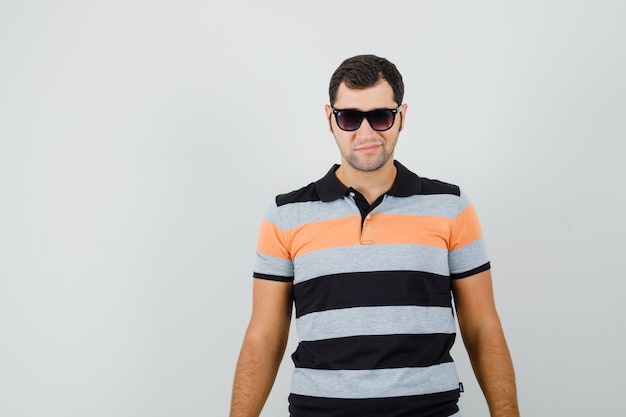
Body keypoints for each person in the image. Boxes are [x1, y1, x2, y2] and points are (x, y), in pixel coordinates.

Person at [229, 54, 520, 417]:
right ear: (330, 119)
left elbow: (482, 326)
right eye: (350, 117)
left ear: (401, 117)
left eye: (380, 116)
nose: (365, 134)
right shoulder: (285, 216)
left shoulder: (450, 206)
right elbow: (264, 336)